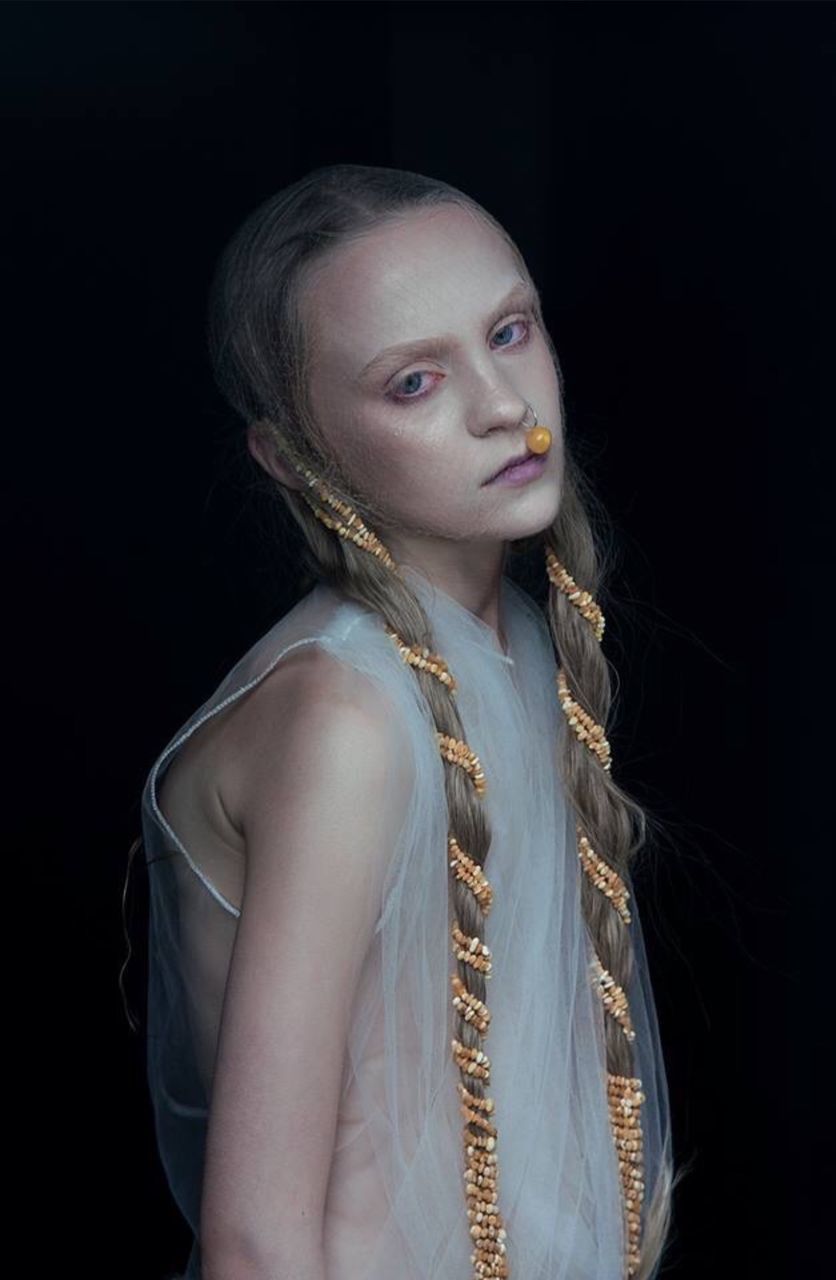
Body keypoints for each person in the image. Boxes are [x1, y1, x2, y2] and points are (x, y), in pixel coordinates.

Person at [131, 164, 681, 1280]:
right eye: (415, 381)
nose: (503, 406)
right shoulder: (344, 714)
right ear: (294, 458)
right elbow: (253, 1242)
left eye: (510, 330)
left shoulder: (513, 641)